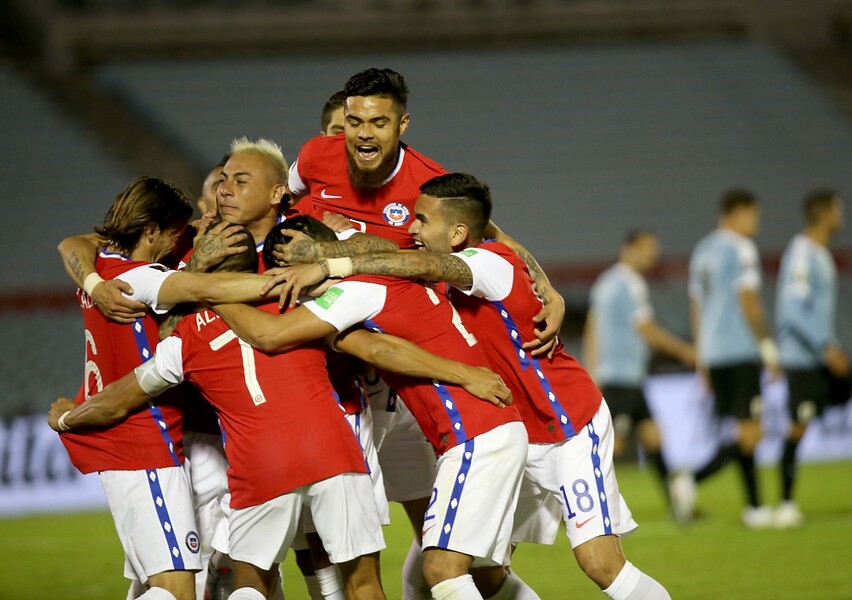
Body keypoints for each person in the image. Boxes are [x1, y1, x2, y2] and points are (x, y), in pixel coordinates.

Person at [266, 173, 672, 600]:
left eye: (422, 221)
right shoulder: (437, 276)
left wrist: (331, 262)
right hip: (511, 427)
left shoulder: (489, 263)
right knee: (475, 570)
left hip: (566, 426)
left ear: (458, 232)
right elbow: (408, 260)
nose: (411, 229)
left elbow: (428, 262)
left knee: (599, 563)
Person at [49, 229, 513, 600]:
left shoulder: (183, 339)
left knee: (251, 583)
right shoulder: (299, 308)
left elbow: (119, 399)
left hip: (261, 467)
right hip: (335, 453)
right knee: (364, 584)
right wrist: (464, 373)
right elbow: (377, 346)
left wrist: (67, 419)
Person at [281, 68, 565, 599]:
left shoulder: (427, 185)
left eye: (379, 122)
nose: (364, 134)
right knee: (327, 530)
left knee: (448, 553)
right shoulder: (317, 156)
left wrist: (548, 288)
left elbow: (492, 237)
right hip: (338, 370)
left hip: (403, 374)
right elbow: (279, 202)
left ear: (402, 124)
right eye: (354, 121)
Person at [55, 177, 292, 600]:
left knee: (154, 582)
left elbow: (72, 243)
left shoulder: (101, 269)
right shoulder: (139, 281)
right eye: (174, 232)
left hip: (127, 442)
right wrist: (291, 280)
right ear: (151, 232)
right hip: (141, 442)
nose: (180, 240)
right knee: (177, 588)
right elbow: (210, 288)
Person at [774, 189, 852, 527]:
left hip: (825, 352)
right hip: (806, 358)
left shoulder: (818, 253)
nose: (842, 215)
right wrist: (826, 346)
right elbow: (792, 310)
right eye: (838, 209)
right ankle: (786, 505)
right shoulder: (802, 252)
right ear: (824, 213)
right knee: (799, 426)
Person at [673, 188, 781, 528]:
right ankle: (689, 480)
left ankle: (755, 508)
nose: (756, 223)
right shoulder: (741, 248)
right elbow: (749, 301)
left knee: (745, 430)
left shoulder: (702, 251)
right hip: (740, 351)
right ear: (737, 213)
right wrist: (767, 347)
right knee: (752, 433)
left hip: (716, 355)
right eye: (754, 215)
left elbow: (696, 307)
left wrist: (703, 359)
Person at [583, 230, 696, 515]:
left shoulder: (605, 282)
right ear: (629, 249)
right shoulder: (631, 283)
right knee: (612, 448)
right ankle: (573, 507)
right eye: (647, 249)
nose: (652, 256)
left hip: (625, 377)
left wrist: (591, 367)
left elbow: (593, 327)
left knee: (654, 438)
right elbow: (645, 328)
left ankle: (677, 506)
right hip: (621, 378)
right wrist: (684, 350)